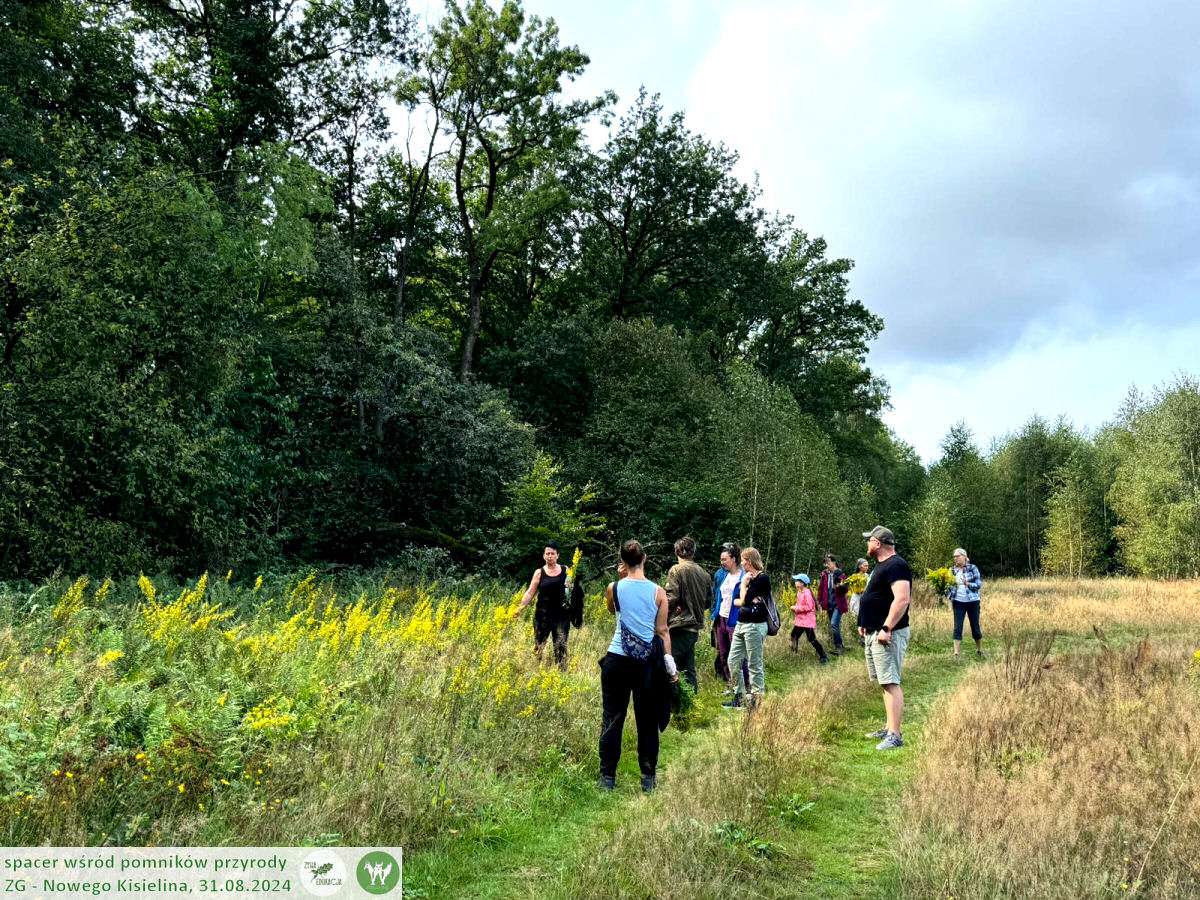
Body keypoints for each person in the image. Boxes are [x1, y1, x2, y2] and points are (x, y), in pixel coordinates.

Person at [599, 540, 676, 792]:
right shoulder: (658, 592)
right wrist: (670, 665)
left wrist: (620, 579)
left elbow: (613, 611)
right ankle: (647, 777)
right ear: (644, 558)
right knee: (647, 719)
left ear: (623, 561)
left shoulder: (614, 587)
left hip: (616, 658)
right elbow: (662, 631)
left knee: (612, 718)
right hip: (646, 662)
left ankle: (607, 778)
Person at [857, 526, 912, 751]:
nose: (867, 544)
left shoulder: (896, 565)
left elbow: (901, 599)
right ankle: (889, 726)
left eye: (869, 540)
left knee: (891, 681)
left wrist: (887, 628)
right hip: (874, 631)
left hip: (887, 633)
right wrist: (864, 622)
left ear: (878, 543)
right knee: (884, 681)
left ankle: (895, 735)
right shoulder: (882, 566)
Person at [513, 542, 572, 667]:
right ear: (544, 556)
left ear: (557, 556)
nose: (550, 556)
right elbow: (530, 593)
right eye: (547, 554)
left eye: (552, 553)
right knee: (539, 643)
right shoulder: (539, 572)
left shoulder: (566, 570)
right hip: (543, 614)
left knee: (560, 644)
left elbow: (572, 591)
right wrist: (520, 608)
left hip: (561, 615)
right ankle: (536, 668)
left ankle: (560, 671)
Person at [725, 547, 770, 709]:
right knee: (733, 660)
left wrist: (744, 585)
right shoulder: (748, 578)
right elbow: (736, 601)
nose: (741, 562)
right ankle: (739, 696)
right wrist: (744, 596)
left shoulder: (762, 579)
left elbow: (743, 600)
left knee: (754, 664)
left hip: (755, 626)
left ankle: (757, 701)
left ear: (750, 561)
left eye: (743, 560)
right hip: (741, 624)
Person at [664, 536, 710, 693]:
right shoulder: (704, 574)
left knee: (670, 667)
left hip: (678, 626)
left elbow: (670, 598)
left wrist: (659, 611)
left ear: (676, 552)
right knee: (689, 669)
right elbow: (709, 602)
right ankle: (690, 705)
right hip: (693, 627)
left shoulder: (676, 570)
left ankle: (670, 706)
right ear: (693, 552)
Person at [710, 542, 749, 690]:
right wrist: (715, 615)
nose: (722, 562)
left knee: (737, 654)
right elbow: (718, 595)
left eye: (724, 559)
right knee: (723, 653)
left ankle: (745, 685)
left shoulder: (744, 575)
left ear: (733, 559)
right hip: (721, 618)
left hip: (736, 620)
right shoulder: (723, 575)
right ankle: (731, 683)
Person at [948, 547, 983, 661]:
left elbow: (978, 584)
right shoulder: (952, 570)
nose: (955, 559)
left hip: (973, 601)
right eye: (954, 557)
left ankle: (979, 651)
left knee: (975, 627)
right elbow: (948, 586)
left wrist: (967, 583)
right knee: (958, 627)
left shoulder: (972, 568)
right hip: (958, 602)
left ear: (964, 556)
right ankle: (956, 654)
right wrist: (943, 589)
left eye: (957, 556)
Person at [790, 574, 828, 664]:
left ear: (802, 583)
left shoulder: (807, 593)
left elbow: (809, 607)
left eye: (797, 580)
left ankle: (823, 656)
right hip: (801, 621)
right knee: (794, 636)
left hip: (806, 621)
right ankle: (793, 655)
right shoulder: (800, 592)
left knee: (811, 639)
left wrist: (795, 608)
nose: (795, 582)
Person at [817, 555, 849, 655]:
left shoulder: (840, 574)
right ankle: (839, 645)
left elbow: (845, 590)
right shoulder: (824, 574)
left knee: (834, 624)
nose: (827, 565)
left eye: (828, 562)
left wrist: (840, 586)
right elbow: (821, 588)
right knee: (834, 625)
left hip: (838, 604)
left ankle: (838, 646)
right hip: (828, 603)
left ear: (834, 562)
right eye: (825, 563)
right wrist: (818, 601)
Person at [848, 558, 870, 647]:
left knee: (866, 617)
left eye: (867, 566)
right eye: (865, 565)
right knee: (856, 617)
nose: (867, 567)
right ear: (860, 566)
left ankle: (865, 638)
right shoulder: (854, 576)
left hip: (865, 599)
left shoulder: (868, 576)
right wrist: (857, 590)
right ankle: (859, 637)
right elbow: (850, 588)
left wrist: (864, 590)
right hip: (856, 599)